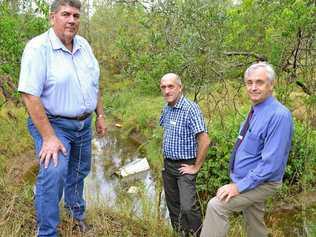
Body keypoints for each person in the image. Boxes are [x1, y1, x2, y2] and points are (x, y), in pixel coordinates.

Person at [18, 0, 106, 236]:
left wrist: (100, 114)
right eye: (65, 14)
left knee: (79, 170)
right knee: (54, 173)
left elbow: (94, 83)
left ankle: (76, 214)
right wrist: (48, 137)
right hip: (53, 125)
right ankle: (47, 231)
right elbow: (29, 95)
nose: (71, 20)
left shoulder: (84, 45)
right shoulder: (38, 48)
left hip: (84, 123)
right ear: (52, 17)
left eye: (76, 15)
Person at [200, 62, 293, 237]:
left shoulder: (279, 116)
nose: (253, 87)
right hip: (249, 178)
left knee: (217, 206)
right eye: (249, 82)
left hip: (263, 182)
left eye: (259, 82)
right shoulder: (256, 110)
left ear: (271, 85)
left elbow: (271, 164)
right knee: (255, 223)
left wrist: (239, 187)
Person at [159, 73, 210, 237]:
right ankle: (180, 233)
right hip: (168, 166)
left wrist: (196, 166)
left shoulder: (190, 109)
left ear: (180, 88)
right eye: (163, 87)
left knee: (188, 207)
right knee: (173, 206)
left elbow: (205, 140)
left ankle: (197, 234)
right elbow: (167, 133)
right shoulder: (166, 108)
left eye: (171, 86)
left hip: (184, 166)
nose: (167, 91)